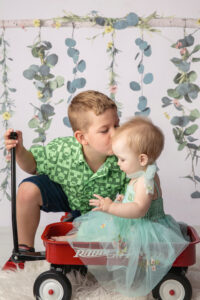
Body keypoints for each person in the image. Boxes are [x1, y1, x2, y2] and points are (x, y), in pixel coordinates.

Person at [52, 116, 189, 297]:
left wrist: (111, 208)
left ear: (141, 159)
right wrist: (122, 200)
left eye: (122, 159)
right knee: (97, 224)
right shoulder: (143, 173)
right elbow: (135, 201)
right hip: (133, 222)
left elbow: (139, 209)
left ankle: (73, 242)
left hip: (142, 227)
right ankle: (76, 238)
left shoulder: (145, 180)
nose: (118, 163)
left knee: (104, 232)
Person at [3, 90, 130, 271]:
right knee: (27, 189)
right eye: (105, 130)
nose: (115, 133)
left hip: (102, 209)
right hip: (67, 193)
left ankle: (74, 220)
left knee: (81, 263)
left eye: (117, 126)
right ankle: (24, 250)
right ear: (82, 137)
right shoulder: (63, 150)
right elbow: (32, 165)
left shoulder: (124, 158)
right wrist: (20, 150)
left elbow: (132, 193)